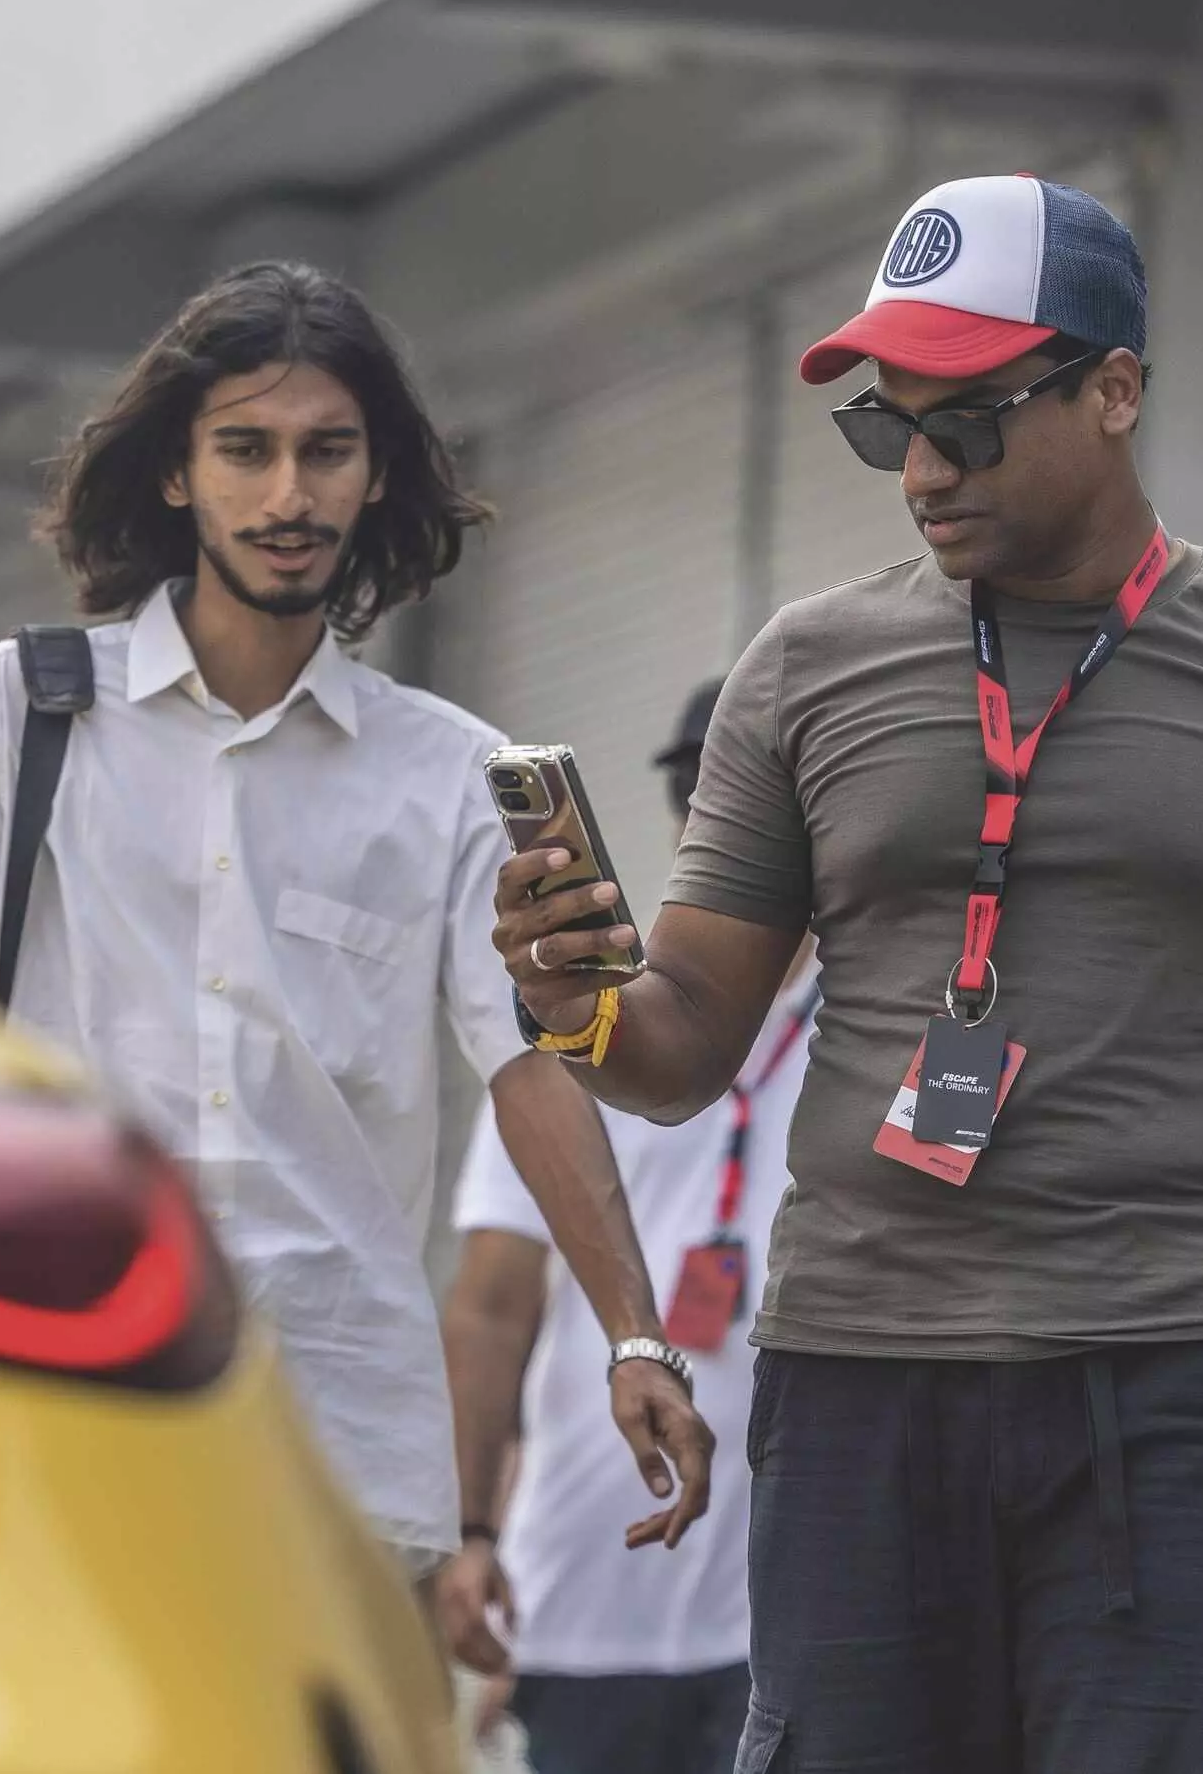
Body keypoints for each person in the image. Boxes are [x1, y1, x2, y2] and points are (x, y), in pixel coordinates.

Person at [485, 174, 1203, 1772]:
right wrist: (574, 999)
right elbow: (676, 1049)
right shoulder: (803, 671)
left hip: (1176, 1374)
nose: (921, 469)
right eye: (885, 427)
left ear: (1114, 389)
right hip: (854, 1380)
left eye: (964, 420)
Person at [0, 261, 711, 1574]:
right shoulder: (15, 714)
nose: (288, 495)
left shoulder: (450, 774)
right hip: (49, 1397)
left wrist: (633, 1334)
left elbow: (531, 1068)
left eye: (326, 451)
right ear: (176, 472)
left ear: (374, 475)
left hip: (332, 1438)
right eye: (245, 450)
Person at [435, 681, 821, 1774]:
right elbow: (493, 1305)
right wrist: (472, 1531)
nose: (721, 817)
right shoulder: (588, 1015)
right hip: (586, 1589)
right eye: (702, 792)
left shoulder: (880, 1022)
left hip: (798, 1601)